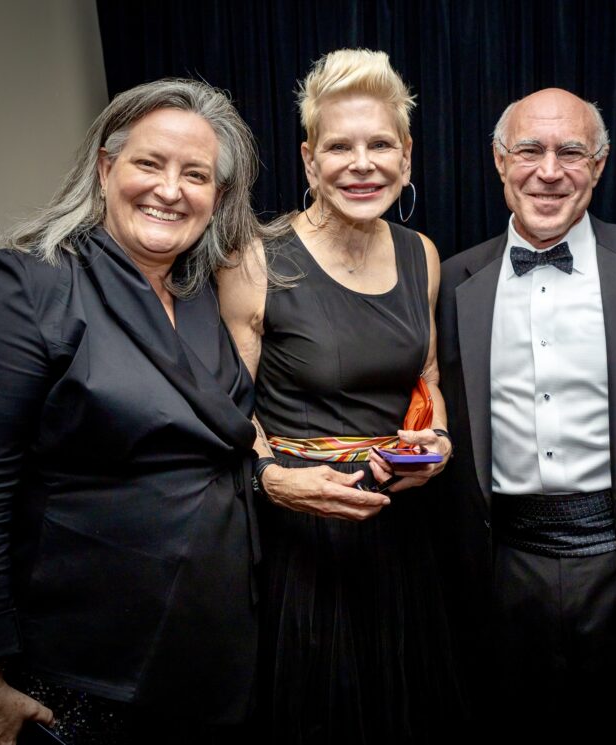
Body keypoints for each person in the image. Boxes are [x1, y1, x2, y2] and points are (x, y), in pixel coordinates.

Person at [0, 79, 262, 744]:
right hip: (77, 677)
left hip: (209, 666)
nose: (170, 189)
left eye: (196, 174)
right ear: (106, 169)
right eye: (149, 163)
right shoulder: (29, 284)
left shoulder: (200, 297)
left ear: (216, 198)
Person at [218, 48, 461, 743]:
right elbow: (230, 408)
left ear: (407, 157)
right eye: (340, 147)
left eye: (380, 144)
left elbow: (428, 380)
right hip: (302, 544)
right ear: (309, 160)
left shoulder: (423, 255)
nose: (362, 163)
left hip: (401, 532)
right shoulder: (255, 257)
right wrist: (277, 483)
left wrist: (436, 443)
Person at [436, 87, 616, 741]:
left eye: (570, 151)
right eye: (529, 149)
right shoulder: (452, 280)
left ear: (600, 165)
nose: (549, 171)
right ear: (499, 160)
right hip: (502, 568)